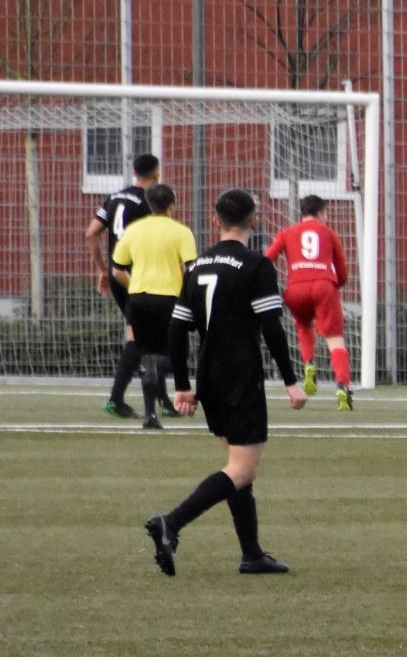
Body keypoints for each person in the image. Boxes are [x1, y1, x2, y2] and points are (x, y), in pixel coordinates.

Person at [145, 189, 307, 577]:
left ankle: (252, 555)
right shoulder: (257, 265)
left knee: (237, 466)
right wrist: (291, 381)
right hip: (240, 376)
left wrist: (182, 384)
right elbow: (272, 327)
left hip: (209, 377)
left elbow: (177, 328)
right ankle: (171, 522)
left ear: (215, 221)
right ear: (254, 220)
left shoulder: (198, 264)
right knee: (242, 470)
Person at [84, 153, 175, 419]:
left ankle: (163, 401)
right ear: (156, 172)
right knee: (145, 337)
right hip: (141, 276)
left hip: (117, 273)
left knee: (145, 335)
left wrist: (103, 269)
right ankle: (117, 399)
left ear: (134, 172)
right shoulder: (150, 202)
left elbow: (91, 233)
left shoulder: (115, 197)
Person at [110, 184, 198, 430]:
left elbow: (117, 270)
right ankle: (158, 369)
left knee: (147, 354)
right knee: (176, 354)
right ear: (173, 206)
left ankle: (150, 415)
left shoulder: (134, 230)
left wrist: (135, 285)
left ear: (149, 205)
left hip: (138, 298)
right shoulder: (182, 232)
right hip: (170, 299)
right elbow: (191, 270)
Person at [265, 195, 354, 410]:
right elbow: (342, 271)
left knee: (303, 325)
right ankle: (342, 385)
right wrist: (335, 286)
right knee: (335, 339)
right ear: (321, 213)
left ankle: (309, 363)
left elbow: (267, 259)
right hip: (323, 286)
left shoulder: (286, 233)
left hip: (296, 288)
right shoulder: (328, 233)